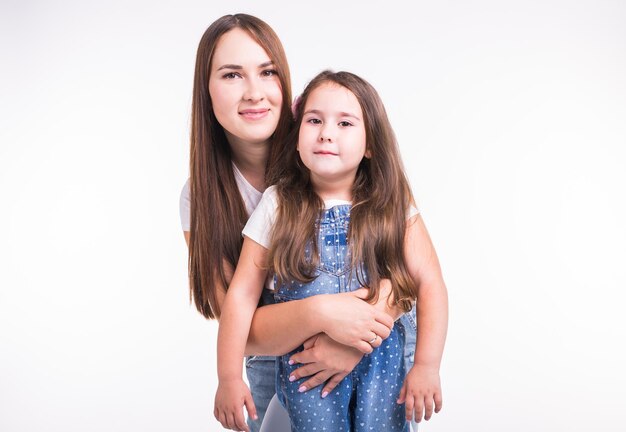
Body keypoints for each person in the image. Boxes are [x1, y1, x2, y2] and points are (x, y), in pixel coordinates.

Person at [180, 14, 421, 432]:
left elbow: (408, 269)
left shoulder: (331, 148)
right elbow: (242, 325)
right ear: (207, 89)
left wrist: (357, 340)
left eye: (267, 72)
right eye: (232, 74)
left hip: (378, 342)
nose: (254, 92)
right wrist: (325, 315)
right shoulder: (202, 197)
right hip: (277, 361)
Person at [214, 70, 448, 431]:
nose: (326, 132)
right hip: (309, 367)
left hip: (382, 361)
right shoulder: (279, 203)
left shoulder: (391, 204)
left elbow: (429, 282)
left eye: (345, 123)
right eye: (314, 120)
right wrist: (229, 378)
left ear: (371, 145)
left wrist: (426, 365)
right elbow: (242, 293)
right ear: (295, 138)